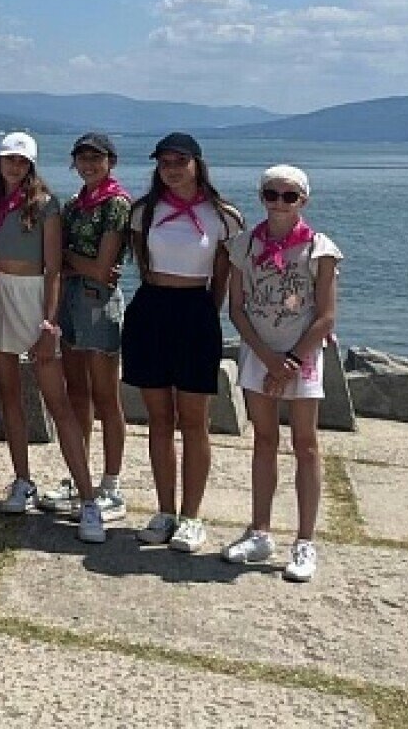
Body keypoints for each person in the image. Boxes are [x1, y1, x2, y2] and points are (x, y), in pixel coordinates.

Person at [0, 132, 104, 544]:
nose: (14, 166)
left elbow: (53, 269)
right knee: (9, 396)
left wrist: (49, 324)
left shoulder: (46, 205)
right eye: (8, 159)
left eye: (21, 161)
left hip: (32, 298)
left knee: (58, 403)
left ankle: (87, 498)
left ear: (31, 165)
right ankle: (22, 480)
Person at [123, 132, 243, 554]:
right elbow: (142, 262)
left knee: (194, 420)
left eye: (180, 161)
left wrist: (206, 314)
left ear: (197, 163)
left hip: (196, 312)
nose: (171, 170)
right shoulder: (144, 211)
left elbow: (223, 275)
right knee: (159, 418)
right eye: (164, 163)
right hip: (151, 308)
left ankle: (192, 517)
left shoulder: (224, 216)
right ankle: (165, 511)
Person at [224, 165, 341, 582]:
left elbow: (326, 316)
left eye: (289, 196)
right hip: (260, 351)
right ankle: (260, 530)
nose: (279, 203)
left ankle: (305, 540)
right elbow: (236, 308)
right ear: (262, 197)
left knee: (305, 444)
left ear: (303, 200)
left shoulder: (319, 249)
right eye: (271, 194)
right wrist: (268, 359)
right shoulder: (244, 245)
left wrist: (290, 361)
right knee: (264, 439)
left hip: (302, 354)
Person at [49, 133, 132, 524]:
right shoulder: (73, 205)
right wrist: (76, 263)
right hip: (70, 300)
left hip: (98, 304)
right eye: (82, 158)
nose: (89, 165)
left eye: (96, 158)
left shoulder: (117, 204)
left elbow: (103, 269)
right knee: (77, 393)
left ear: (110, 162)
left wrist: (66, 257)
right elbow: (86, 264)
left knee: (106, 396)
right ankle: (78, 475)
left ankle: (111, 483)